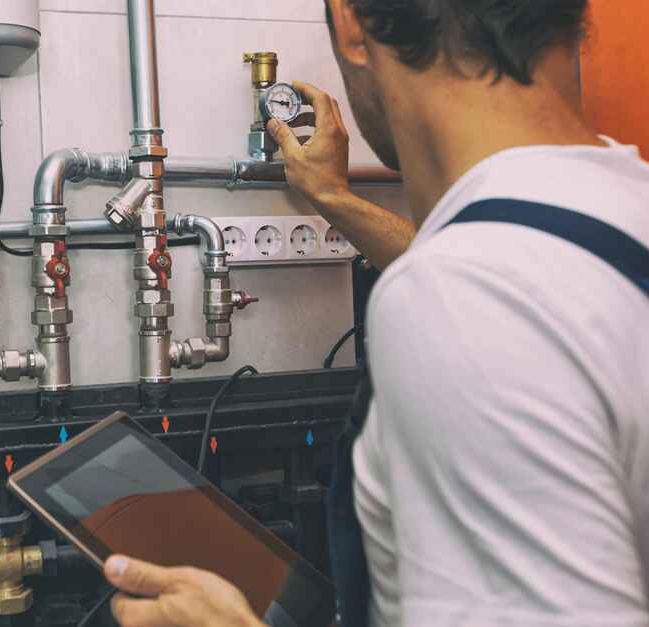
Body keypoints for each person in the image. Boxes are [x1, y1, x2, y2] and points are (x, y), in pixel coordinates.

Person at [102, 0, 649, 625]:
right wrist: (334, 198)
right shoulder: (618, 206)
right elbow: (527, 273)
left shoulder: (464, 302)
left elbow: (489, 298)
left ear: (351, 21)